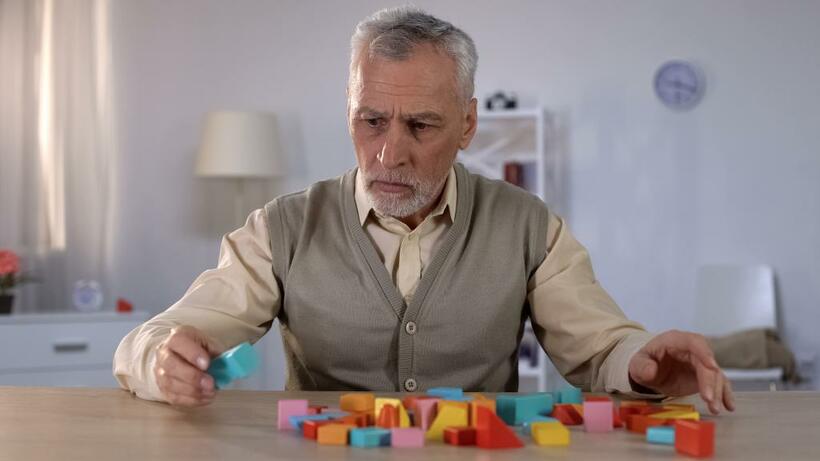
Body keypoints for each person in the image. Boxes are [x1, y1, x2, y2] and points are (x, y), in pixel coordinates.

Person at [113, 6, 734, 415]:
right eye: (372, 121)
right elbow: (151, 340)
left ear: (467, 124)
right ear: (349, 114)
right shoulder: (280, 229)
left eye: (421, 125)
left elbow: (600, 348)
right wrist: (162, 359)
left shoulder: (527, 226)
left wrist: (644, 362)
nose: (390, 152)